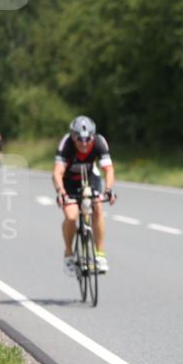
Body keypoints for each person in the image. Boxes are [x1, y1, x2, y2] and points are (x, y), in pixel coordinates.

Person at [52, 116, 116, 274]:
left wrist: (108, 190)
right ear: (73, 137)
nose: (84, 143)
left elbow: (108, 169)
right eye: (79, 139)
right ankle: (69, 254)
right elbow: (57, 173)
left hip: (89, 177)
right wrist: (61, 193)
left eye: (88, 139)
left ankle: (100, 255)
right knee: (72, 216)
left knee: (98, 207)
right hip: (68, 181)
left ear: (93, 137)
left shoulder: (100, 142)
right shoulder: (66, 145)